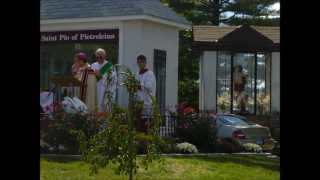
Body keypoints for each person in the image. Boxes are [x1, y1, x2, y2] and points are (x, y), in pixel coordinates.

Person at [91, 48, 117, 112]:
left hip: (106, 91)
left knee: (106, 109)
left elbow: (113, 79)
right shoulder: (93, 65)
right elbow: (90, 79)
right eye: (97, 57)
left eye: (100, 57)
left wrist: (101, 75)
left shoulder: (109, 66)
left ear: (105, 56)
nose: (99, 59)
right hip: (96, 91)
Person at [136, 55, 156, 132]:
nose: (140, 64)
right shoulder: (137, 73)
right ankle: (140, 142)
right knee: (139, 126)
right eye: (138, 62)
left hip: (147, 103)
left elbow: (149, 86)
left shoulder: (150, 74)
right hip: (139, 103)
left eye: (141, 62)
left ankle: (146, 142)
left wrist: (139, 85)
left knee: (147, 126)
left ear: (145, 62)